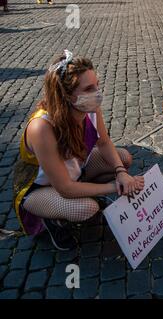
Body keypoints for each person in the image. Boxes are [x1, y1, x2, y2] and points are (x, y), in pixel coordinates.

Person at [12, 50, 145, 250]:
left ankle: (87, 188)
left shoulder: (89, 108)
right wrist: (115, 187)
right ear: (65, 94)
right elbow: (64, 188)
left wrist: (121, 172)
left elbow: (104, 142)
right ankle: (51, 220)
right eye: (89, 88)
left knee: (123, 157)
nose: (97, 92)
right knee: (87, 208)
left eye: (97, 85)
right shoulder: (41, 127)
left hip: (76, 170)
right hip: (39, 188)